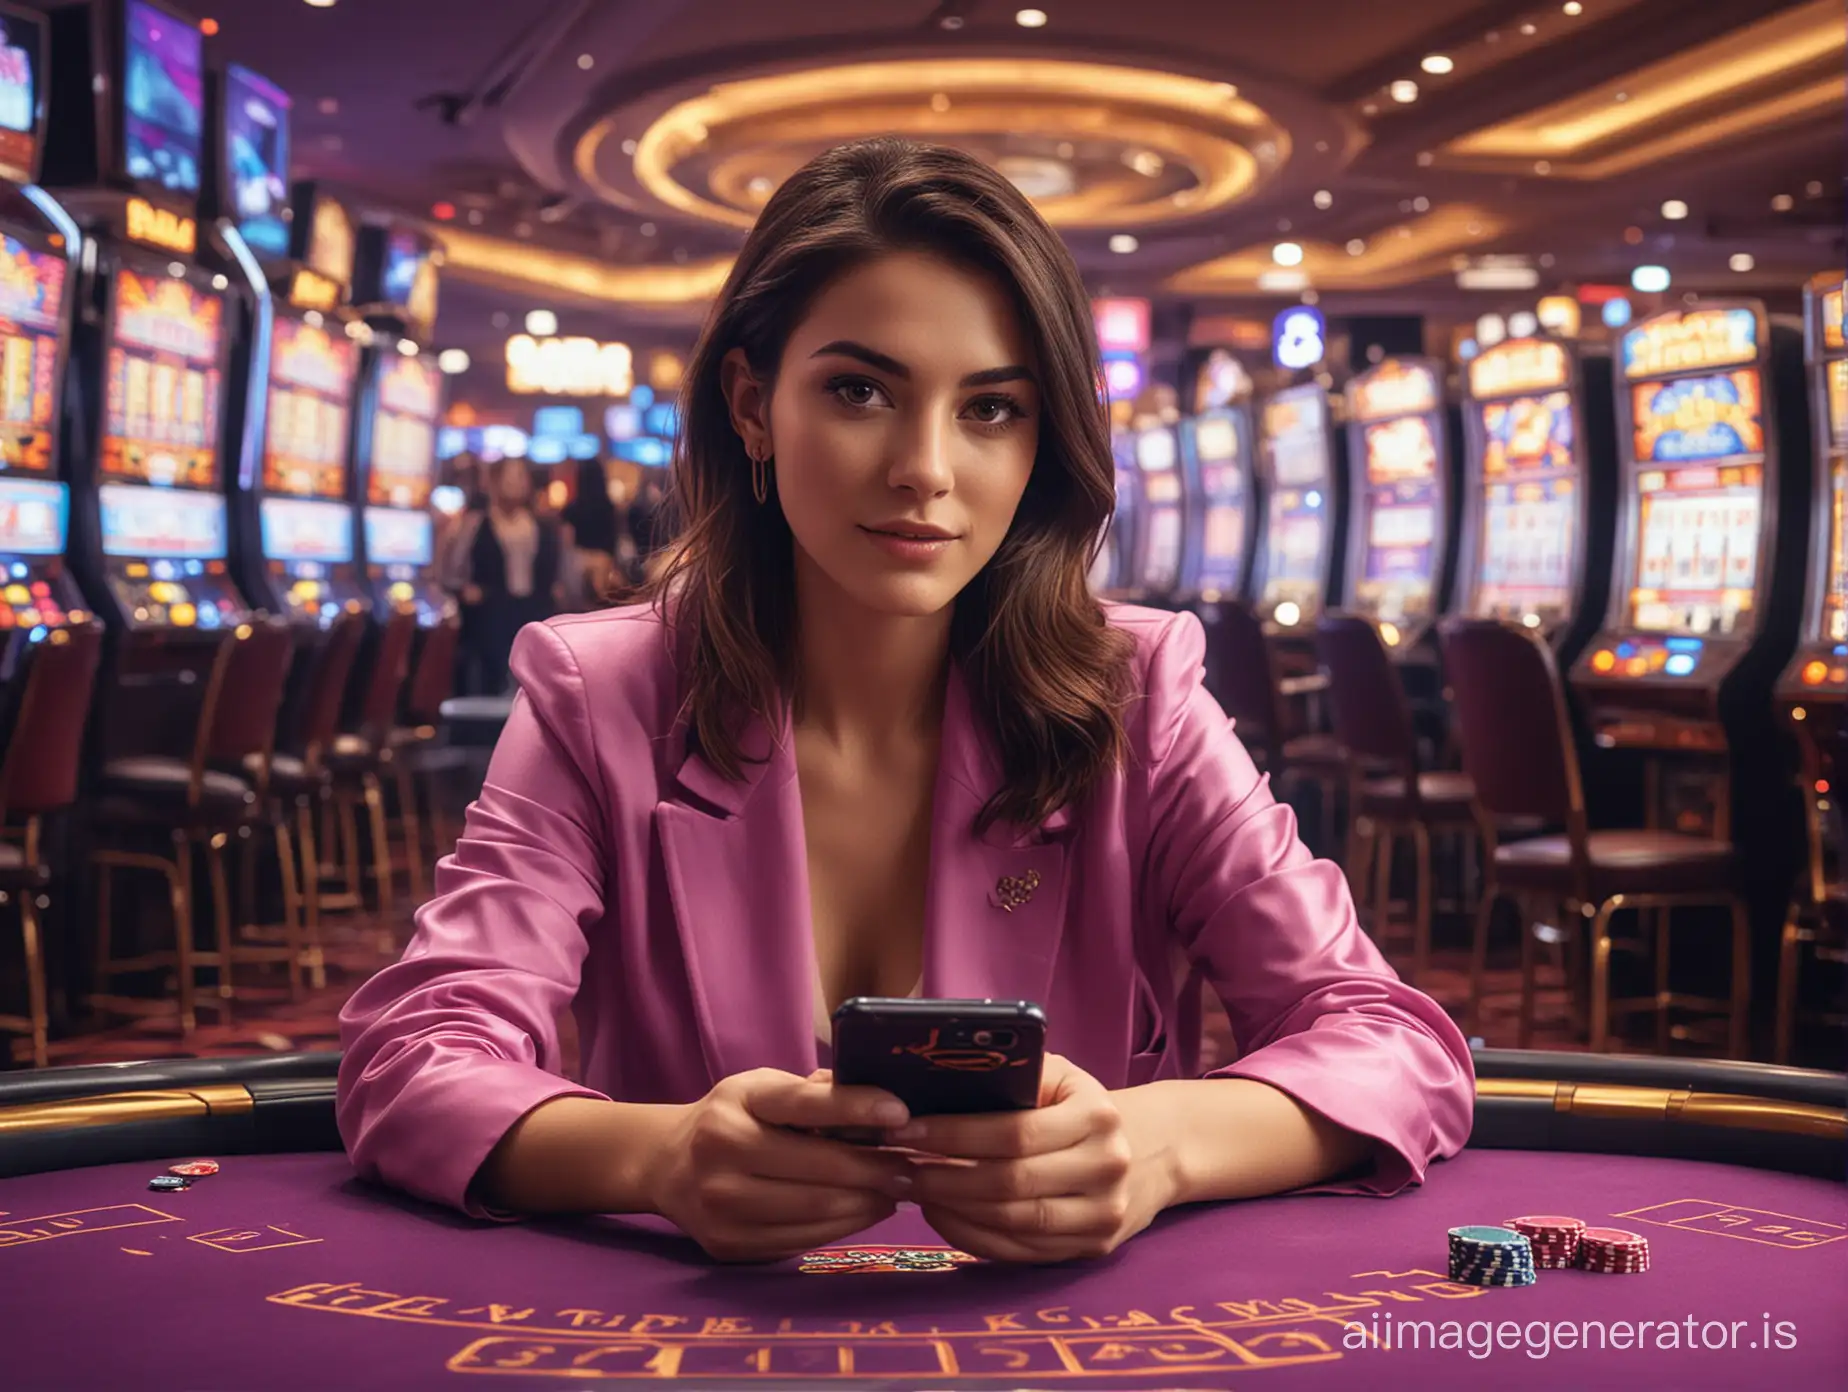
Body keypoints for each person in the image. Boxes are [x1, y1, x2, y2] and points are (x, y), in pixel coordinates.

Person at [338, 138, 1473, 1266]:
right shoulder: (602, 695)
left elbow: (1391, 1041)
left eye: (990, 409)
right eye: (860, 390)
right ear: (750, 404)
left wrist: (1157, 1144)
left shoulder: (1141, 695)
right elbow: (415, 1059)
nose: (925, 468)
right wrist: (655, 1160)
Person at [442, 456, 562, 694]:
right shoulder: (475, 523)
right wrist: (464, 589)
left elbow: (552, 570)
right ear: (493, 482)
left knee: (530, 682)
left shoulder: (541, 524)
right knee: (490, 680)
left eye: (520, 476)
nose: (516, 483)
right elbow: (451, 568)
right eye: (509, 476)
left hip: (533, 610)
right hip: (491, 611)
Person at [559, 457, 622, 608]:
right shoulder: (610, 508)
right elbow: (615, 539)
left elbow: (566, 545)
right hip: (605, 566)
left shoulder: (571, 510)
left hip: (579, 567)